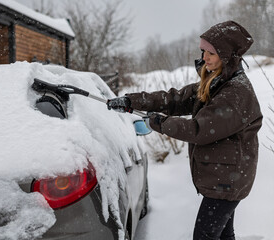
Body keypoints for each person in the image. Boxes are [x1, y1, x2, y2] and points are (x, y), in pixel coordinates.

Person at [107, 20, 263, 240]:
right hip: (224, 178)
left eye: (211, 53)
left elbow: (198, 129)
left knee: (205, 236)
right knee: (223, 235)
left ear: (227, 56)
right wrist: (132, 101)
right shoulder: (217, 81)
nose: (204, 58)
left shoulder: (235, 94)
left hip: (227, 181)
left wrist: (158, 123)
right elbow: (175, 99)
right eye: (203, 51)